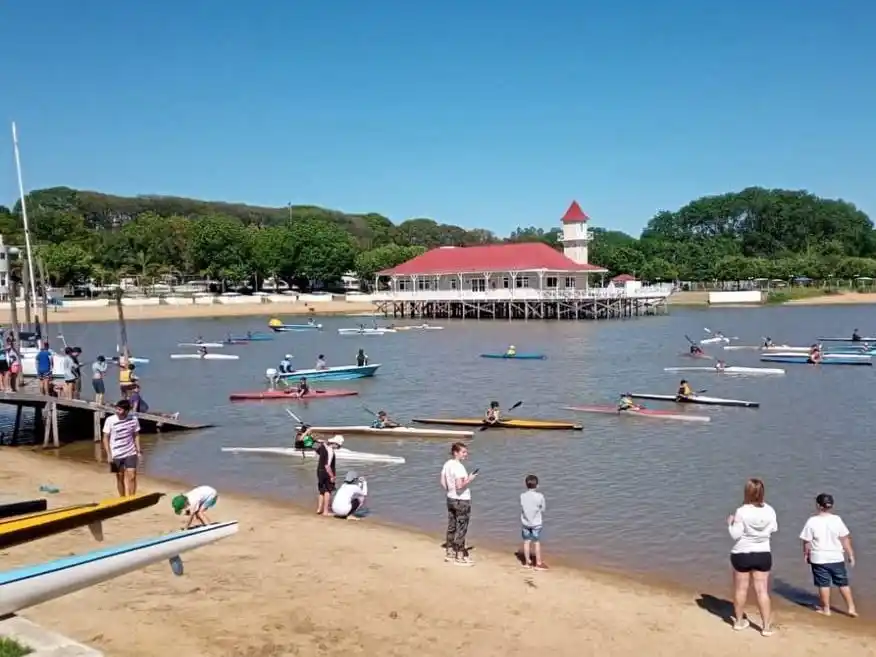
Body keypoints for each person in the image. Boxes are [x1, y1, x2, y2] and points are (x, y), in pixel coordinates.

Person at [727, 478, 777, 636]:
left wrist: (730, 523)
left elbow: (735, 535)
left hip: (742, 553)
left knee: (741, 589)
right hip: (762, 553)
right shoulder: (770, 510)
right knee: (762, 591)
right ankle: (766, 627)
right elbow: (773, 528)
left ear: (746, 492)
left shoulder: (742, 511)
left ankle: (739, 622)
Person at [799, 493, 857, 618]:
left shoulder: (812, 521)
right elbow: (845, 538)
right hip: (836, 557)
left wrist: (806, 554)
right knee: (843, 583)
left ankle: (826, 609)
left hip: (819, 558)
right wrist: (851, 554)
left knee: (823, 584)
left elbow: (807, 541)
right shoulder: (837, 519)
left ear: (818, 505)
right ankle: (851, 608)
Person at [440, 442, 476, 565]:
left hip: (450, 498)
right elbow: (459, 486)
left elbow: (443, 482)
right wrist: (469, 479)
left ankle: (449, 552)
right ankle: (459, 555)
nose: (466, 454)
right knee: (462, 528)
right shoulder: (459, 467)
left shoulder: (447, 464)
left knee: (452, 526)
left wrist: (450, 491)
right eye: (463, 452)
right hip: (462, 500)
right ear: (456, 453)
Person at [101, 399, 141, 497]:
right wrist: (109, 455)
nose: (117, 411)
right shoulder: (110, 420)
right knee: (119, 477)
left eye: (120, 409)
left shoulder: (134, 419)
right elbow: (105, 438)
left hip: (130, 452)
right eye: (117, 409)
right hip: (115, 454)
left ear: (127, 411)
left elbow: (136, 435)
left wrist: (138, 450)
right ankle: (122, 498)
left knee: (132, 476)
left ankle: (132, 499)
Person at [520, 474, 547, 570]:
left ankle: (527, 562)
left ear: (526, 485)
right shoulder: (540, 496)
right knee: (536, 542)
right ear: (537, 485)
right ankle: (538, 563)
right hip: (536, 524)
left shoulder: (522, 496)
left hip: (525, 523)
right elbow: (543, 509)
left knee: (526, 541)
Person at [315, 435, 342, 515]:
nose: (338, 447)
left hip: (319, 471)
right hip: (326, 472)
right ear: (335, 443)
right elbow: (327, 466)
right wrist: (332, 476)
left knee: (321, 491)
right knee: (328, 491)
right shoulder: (330, 452)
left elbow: (317, 451)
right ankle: (325, 511)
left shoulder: (323, 447)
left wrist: (324, 443)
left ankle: (319, 509)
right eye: (338, 446)